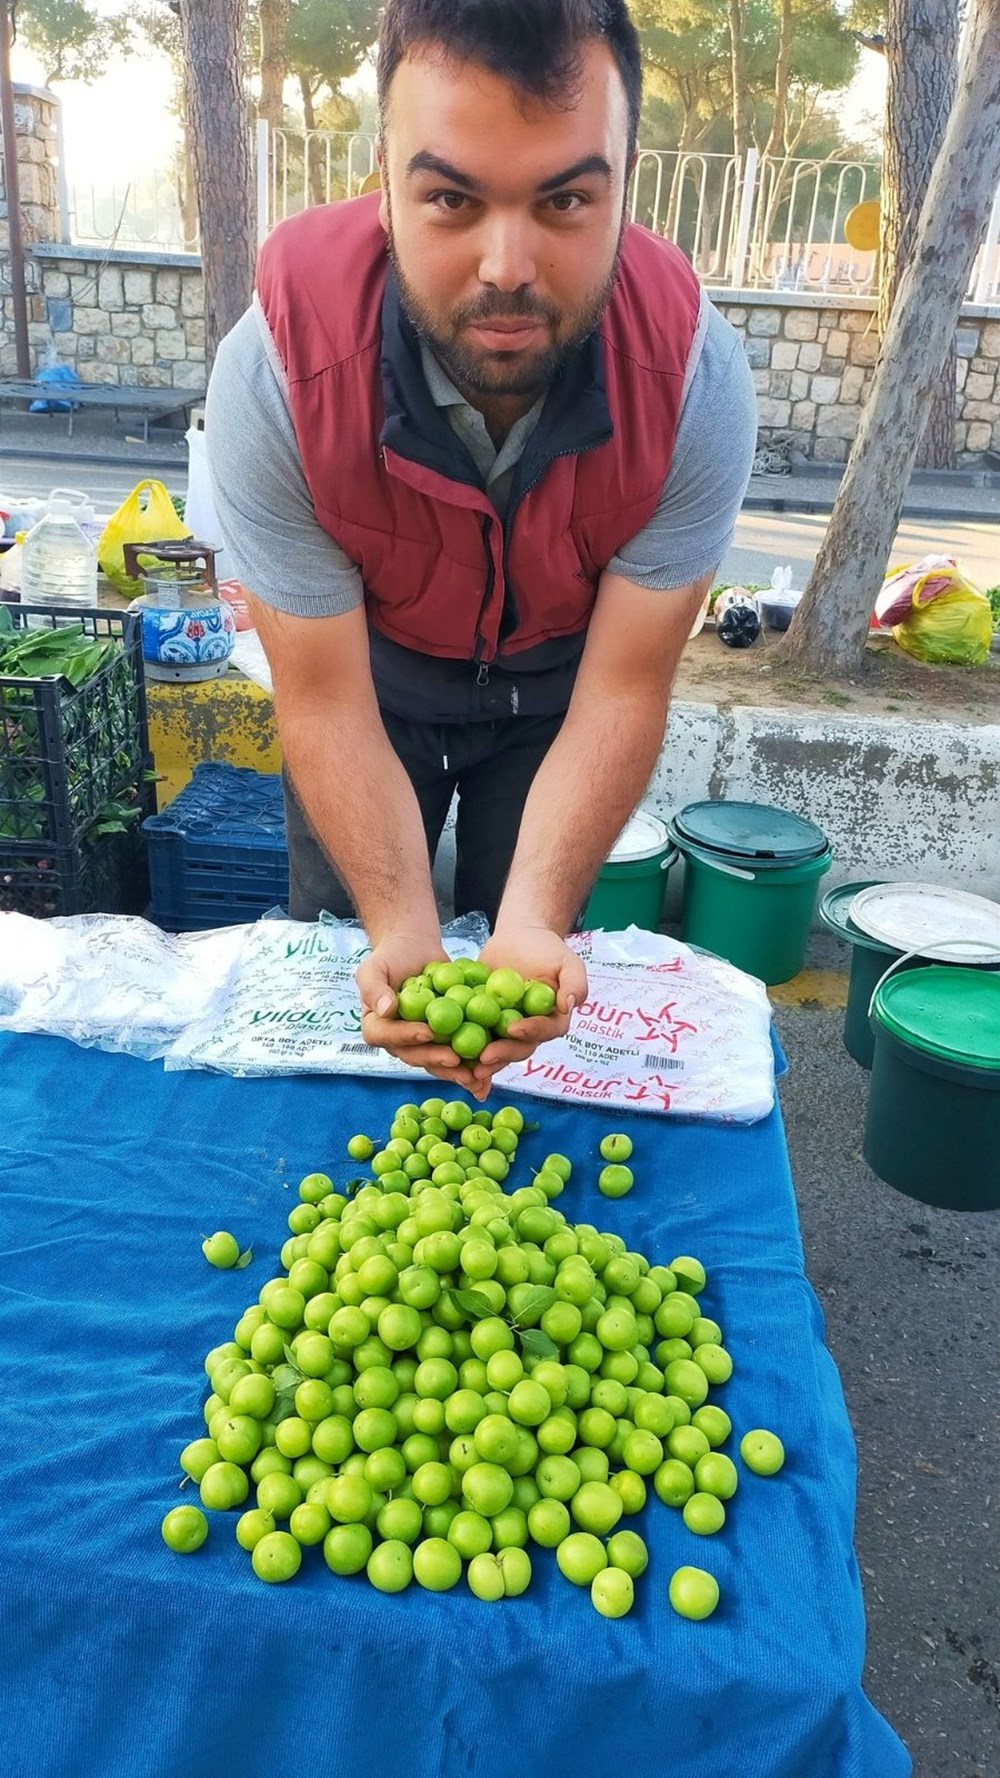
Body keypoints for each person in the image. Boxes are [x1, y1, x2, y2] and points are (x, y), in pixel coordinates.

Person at [205, 0, 757, 1100]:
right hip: (371, 683)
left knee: (530, 974)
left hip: (554, 694)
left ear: (627, 183)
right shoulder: (277, 372)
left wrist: (535, 923)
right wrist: (400, 928)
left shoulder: (693, 379)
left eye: (566, 199)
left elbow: (623, 687)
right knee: (355, 972)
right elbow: (323, 700)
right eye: (451, 198)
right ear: (384, 182)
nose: (507, 267)